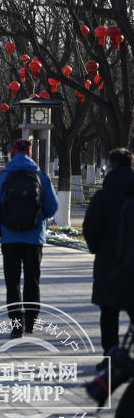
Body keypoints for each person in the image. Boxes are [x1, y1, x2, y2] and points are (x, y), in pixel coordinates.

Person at [0, 139, 59, 338]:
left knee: (13, 283)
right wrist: (37, 216)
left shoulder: (2, 177)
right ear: (30, 154)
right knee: (33, 281)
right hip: (34, 238)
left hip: (9, 239)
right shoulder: (41, 177)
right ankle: (31, 323)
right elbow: (53, 208)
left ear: (12, 153)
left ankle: (16, 326)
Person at [83, 148, 134, 356]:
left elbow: (90, 228)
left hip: (108, 261)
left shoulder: (103, 196)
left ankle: (111, 355)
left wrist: (97, 249)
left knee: (109, 312)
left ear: (110, 166)